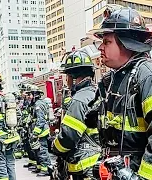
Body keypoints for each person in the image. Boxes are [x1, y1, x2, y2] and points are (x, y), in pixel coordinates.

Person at [88, 5, 152, 179]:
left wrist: (144, 178)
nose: (100, 48)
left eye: (107, 42)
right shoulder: (111, 81)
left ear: (127, 43)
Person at [52, 50, 100, 180]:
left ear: (72, 77)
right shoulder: (98, 93)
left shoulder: (79, 100)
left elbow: (68, 138)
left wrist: (54, 146)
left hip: (84, 167)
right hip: (98, 164)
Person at [30, 85, 52, 177]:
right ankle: (40, 167)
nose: (28, 96)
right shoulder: (37, 103)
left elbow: (41, 120)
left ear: (35, 95)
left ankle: (46, 169)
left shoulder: (38, 105)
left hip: (41, 132)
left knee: (42, 151)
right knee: (38, 151)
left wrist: (35, 133)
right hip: (40, 131)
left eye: (30, 94)